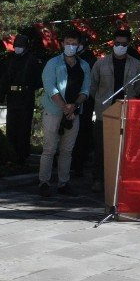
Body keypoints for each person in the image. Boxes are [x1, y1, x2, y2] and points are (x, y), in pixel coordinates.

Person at [89, 28, 140, 193]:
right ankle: (98, 179)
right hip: (104, 111)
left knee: (125, 148)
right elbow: (93, 86)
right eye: (117, 43)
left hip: (127, 111)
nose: (120, 46)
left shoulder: (136, 64)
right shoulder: (101, 63)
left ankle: (121, 179)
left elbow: (138, 87)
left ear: (129, 45)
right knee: (101, 147)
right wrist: (100, 100)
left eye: (124, 44)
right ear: (113, 44)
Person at [38, 29, 91, 197]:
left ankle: (63, 183)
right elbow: (50, 88)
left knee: (67, 150)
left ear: (79, 46)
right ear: (62, 44)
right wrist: (64, 106)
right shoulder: (53, 63)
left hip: (73, 113)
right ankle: (44, 183)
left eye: (74, 44)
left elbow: (86, 89)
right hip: (54, 111)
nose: (71, 46)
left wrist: (74, 106)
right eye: (68, 43)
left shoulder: (84, 65)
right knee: (49, 149)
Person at [0, 34, 43, 164]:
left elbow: (39, 81)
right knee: (11, 128)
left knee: (23, 128)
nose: (17, 49)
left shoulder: (32, 60)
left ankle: (22, 156)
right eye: (16, 46)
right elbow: (4, 80)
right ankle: (11, 155)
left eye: (20, 46)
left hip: (25, 98)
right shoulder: (10, 60)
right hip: (12, 98)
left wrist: (29, 89)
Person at [70, 34, 99, 178]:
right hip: (70, 100)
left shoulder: (91, 60)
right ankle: (68, 161)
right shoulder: (69, 58)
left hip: (86, 101)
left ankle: (79, 164)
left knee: (81, 132)